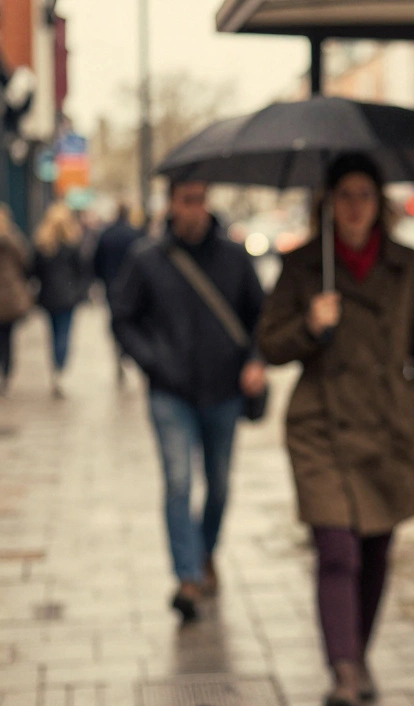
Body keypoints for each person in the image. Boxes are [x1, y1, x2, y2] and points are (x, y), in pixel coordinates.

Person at [257, 153, 414, 706]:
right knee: (337, 549)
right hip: (321, 425)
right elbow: (270, 344)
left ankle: (356, 655)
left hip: (388, 425)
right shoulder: (301, 267)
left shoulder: (407, 265)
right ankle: (344, 670)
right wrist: (310, 327)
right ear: (328, 203)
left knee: (375, 550)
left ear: (379, 203)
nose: (355, 206)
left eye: (365, 194)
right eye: (345, 195)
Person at [111, 181, 267, 623]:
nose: (195, 210)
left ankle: (204, 553)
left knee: (218, 485)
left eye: (201, 199)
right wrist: (152, 362)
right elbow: (123, 318)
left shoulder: (234, 257)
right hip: (170, 392)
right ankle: (186, 577)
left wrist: (255, 360)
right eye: (186, 201)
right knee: (179, 481)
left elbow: (261, 314)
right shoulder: (148, 259)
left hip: (223, 390)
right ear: (170, 204)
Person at [32, 203, 89, 399]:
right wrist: (80, 291)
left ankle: (56, 368)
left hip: (49, 297)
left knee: (53, 333)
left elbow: (34, 271)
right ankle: (60, 368)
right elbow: (82, 271)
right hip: (67, 296)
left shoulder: (43, 245)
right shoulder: (71, 245)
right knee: (64, 333)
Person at [94, 202, 144, 383]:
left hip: (111, 284)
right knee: (130, 319)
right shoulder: (135, 233)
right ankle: (124, 351)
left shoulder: (106, 234)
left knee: (117, 318)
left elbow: (96, 260)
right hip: (132, 286)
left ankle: (120, 350)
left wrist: (100, 279)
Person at [0, 204, 32, 396]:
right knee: (8, 337)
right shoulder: (14, 239)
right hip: (10, 297)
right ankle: (7, 370)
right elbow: (25, 262)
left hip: (9, 296)